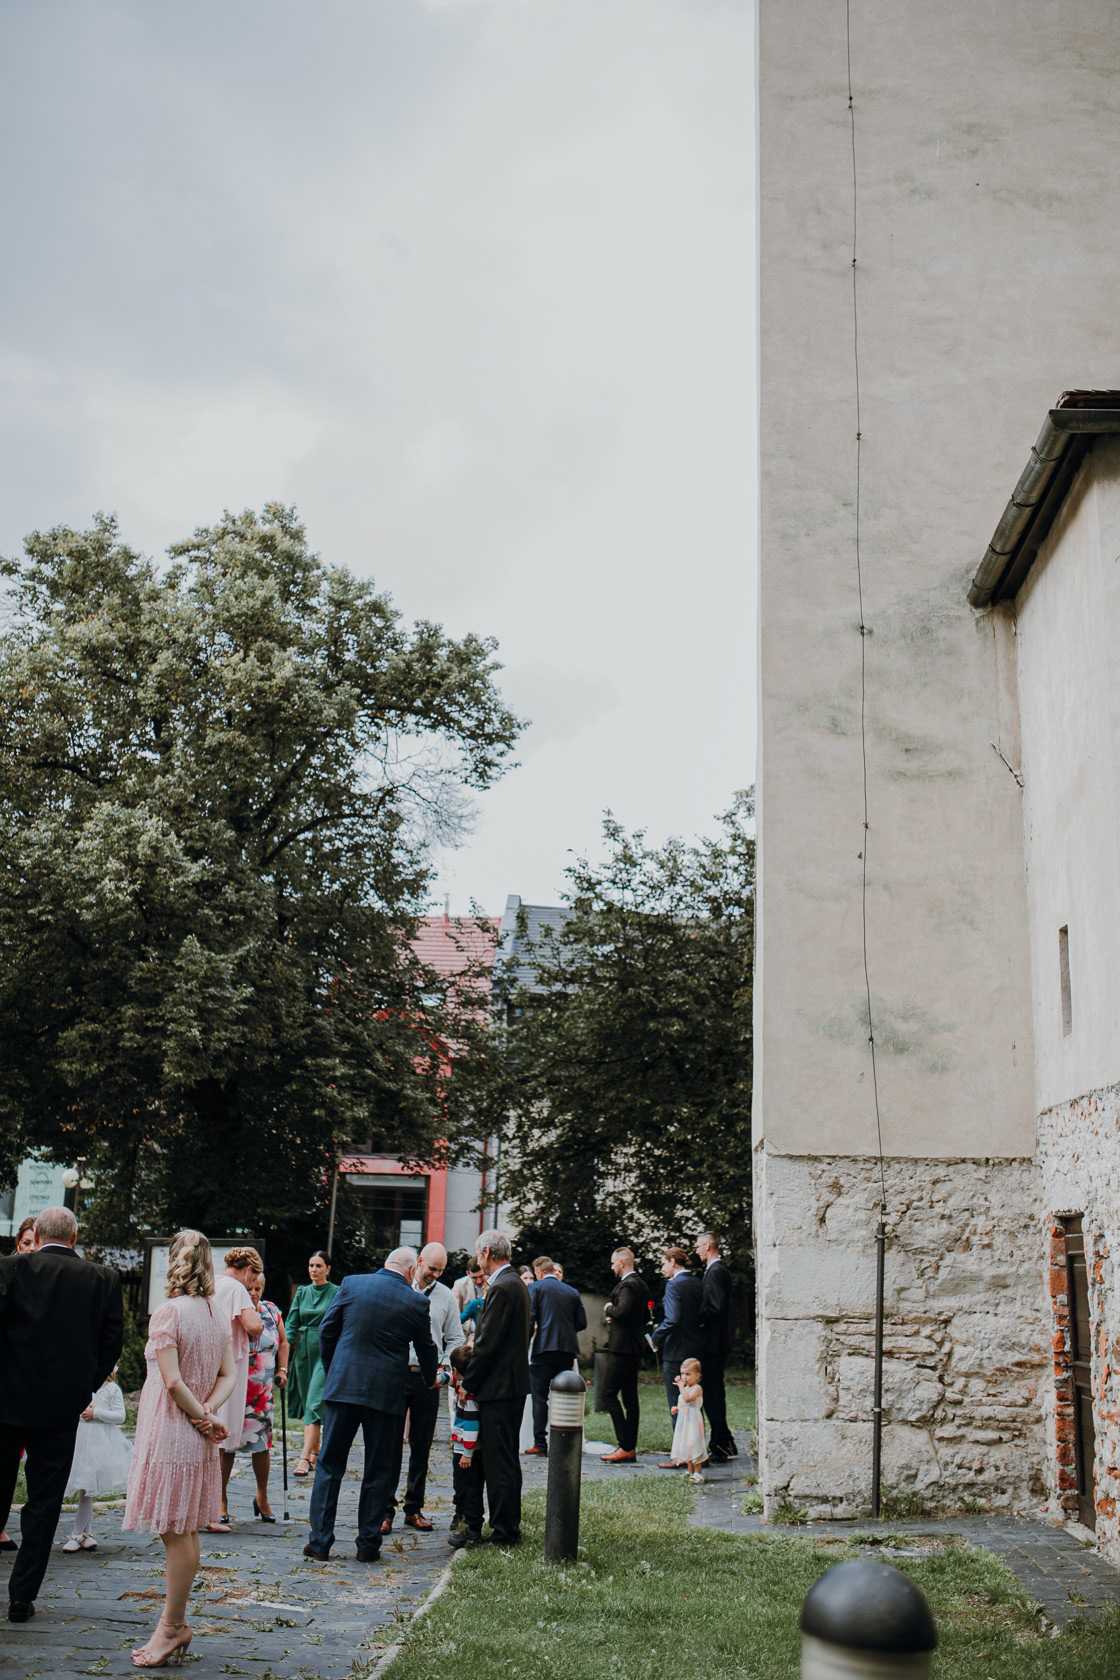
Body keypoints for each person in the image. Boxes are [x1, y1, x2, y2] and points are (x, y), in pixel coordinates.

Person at [0, 1205, 123, 1625]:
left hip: (6, 1402)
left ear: (37, 1235)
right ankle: (22, 1597)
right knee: (44, 1502)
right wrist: (83, 1387)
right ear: (74, 1236)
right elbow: (110, 1344)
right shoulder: (102, 1279)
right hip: (60, 1407)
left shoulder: (10, 1269)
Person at [123, 1228, 236, 1669]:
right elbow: (228, 1375)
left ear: (174, 1261)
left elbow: (171, 1382)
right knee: (184, 1529)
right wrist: (208, 1412)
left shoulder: (169, 1312)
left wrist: (199, 1415)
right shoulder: (215, 1313)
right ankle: (176, 1623)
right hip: (196, 1432)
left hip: (172, 1431)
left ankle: (171, 1626)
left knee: (175, 1530)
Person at [305, 1246, 436, 1563]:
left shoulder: (352, 1284)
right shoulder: (417, 1301)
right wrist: (430, 1377)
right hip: (386, 1395)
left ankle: (320, 1543)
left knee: (329, 1465)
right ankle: (367, 1544)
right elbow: (426, 1348)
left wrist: (335, 1368)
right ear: (411, 1271)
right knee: (378, 1470)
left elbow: (327, 1330)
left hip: (343, 1387)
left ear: (386, 1263)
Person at [450, 1230, 530, 1550]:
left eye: (477, 1252)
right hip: (509, 1384)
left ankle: (504, 1532)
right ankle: (506, 1526)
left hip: (500, 1387)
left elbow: (487, 1343)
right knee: (505, 1460)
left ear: (485, 1252)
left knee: (499, 1463)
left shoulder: (502, 1286)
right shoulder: (514, 1283)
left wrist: (468, 1384)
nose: (477, 1258)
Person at [382, 1241, 463, 1535]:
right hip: (396, 1374)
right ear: (418, 1262)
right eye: (431, 1268)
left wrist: (444, 1368)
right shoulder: (398, 1288)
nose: (435, 1275)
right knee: (390, 1444)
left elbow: (455, 1339)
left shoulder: (446, 1297)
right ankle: (385, 1509)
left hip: (427, 1378)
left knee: (421, 1445)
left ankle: (413, 1508)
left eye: (440, 1271)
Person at [211, 1245, 263, 1529]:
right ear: (248, 1270)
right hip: (228, 1364)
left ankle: (210, 1503)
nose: (251, 1283)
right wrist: (257, 1317)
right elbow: (253, 1326)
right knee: (220, 1438)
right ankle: (214, 1505)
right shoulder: (236, 1288)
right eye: (252, 1277)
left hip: (208, 1362)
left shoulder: (211, 1281)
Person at [0, 1217, 42, 1553]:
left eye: (36, 1243)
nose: (31, 1249)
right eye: (26, 1242)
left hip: (33, 1388)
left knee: (15, 1464)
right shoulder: (6, 1273)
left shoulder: (49, 1280)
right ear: (18, 1244)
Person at [61, 1366, 132, 1551]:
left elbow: (120, 1416)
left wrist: (96, 1413)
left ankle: (76, 1534)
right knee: (85, 1490)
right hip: (81, 1443)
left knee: (86, 1491)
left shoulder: (112, 1389)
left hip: (100, 1447)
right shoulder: (84, 1385)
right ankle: (88, 1534)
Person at [237, 1270, 288, 1523]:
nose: (253, 1293)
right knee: (227, 1444)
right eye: (249, 1288)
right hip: (236, 1386)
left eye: (257, 1289)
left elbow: (284, 1342)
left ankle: (262, 1496)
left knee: (262, 1445)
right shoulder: (235, 1310)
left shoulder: (271, 1310)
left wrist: (282, 1370)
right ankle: (221, 1501)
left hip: (263, 1390)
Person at [525, 1257, 586, 1457]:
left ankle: (540, 1443)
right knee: (565, 1395)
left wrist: (525, 1345)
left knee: (540, 1398)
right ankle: (564, 1442)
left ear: (539, 1272)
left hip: (543, 1349)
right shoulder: (571, 1291)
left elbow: (530, 1318)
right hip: (567, 1350)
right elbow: (582, 1323)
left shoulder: (536, 1288)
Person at [286, 1250, 339, 1477]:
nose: (313, 1270)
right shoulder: (302, 1292)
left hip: (325, 1351)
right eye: (311, 1265)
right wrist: (282, 1353)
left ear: (328, 1269)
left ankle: (304, 1458)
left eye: (318, 1266)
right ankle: (317, 1452)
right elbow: (291, 1323)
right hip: (303, 1352)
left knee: (314, 1403)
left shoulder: (336, 1292)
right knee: (309, 1403)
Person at [650, 1246, 703, 1468]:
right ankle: (697, 1454)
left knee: (678, 1403)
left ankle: (680, 1456)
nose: (662, 1268)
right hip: (695, 1348)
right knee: (696, 1406)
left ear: (672, 1262)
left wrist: (655, 1338)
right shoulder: (696, 1282)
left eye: (663, 1263)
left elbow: (672, 1319)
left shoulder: (673, 1285)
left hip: (676, 1353)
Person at [600, 1246, 650, 1464]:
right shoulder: (641, 1284)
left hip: (622, 1348)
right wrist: (617, 1317)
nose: (612, 1267)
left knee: (608, 1394)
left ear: (622, 1262)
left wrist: (609, 1309)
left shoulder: (628, 1285)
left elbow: (622, 1310)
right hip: (634, 1346)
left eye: (613, 1263)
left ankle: (625, 1445)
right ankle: (629, 1446)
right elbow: (643, 1317)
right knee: (630, 1398)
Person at [695, 1231, 737, 1461]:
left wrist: (697, 1318)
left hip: (713, 1343)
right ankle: (725, 1440)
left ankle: (720, 1444)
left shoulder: (716, 1272)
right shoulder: (714, 1271)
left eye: (699, 1246)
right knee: (712, 1393)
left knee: (712, 1395)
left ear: (708, 1246)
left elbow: (716, 1307)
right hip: (714, 1342)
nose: (696, 1251)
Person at [448, 1343, 481, 1537]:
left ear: (455, 1369)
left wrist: (467, 1453)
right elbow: (450, 1378)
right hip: (461, 1448)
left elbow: (471, 1425)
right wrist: (438, 1378)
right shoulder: (464, 1383)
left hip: (465, 1451)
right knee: (461, 1483)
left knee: (465, 1485)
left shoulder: (468, 1397)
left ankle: (470, 1521)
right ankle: (462, 1512)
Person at [670, 1358, 707, 1483]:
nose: (684, 1377)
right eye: (682, 1374)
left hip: (693, 1420)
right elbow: (683, 1402)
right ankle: (690, 1471)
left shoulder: (697, 1388)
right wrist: (677, 1408)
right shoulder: (685, 1388)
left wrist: (681, 1386)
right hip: (684, 1420)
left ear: (697, 1376)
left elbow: (688, 1399)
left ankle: (698, 1472)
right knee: (686, 1444)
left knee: (694, 1443)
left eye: (688, 1374)